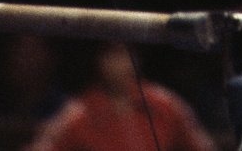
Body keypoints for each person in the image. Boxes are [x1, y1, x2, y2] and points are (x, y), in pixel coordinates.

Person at [23, 41, 215, 151]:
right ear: (99, 61)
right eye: (112, 55)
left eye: (125, 54)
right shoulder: (79, 112)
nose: (120, 63)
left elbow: (203, 147)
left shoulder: (164, 103)